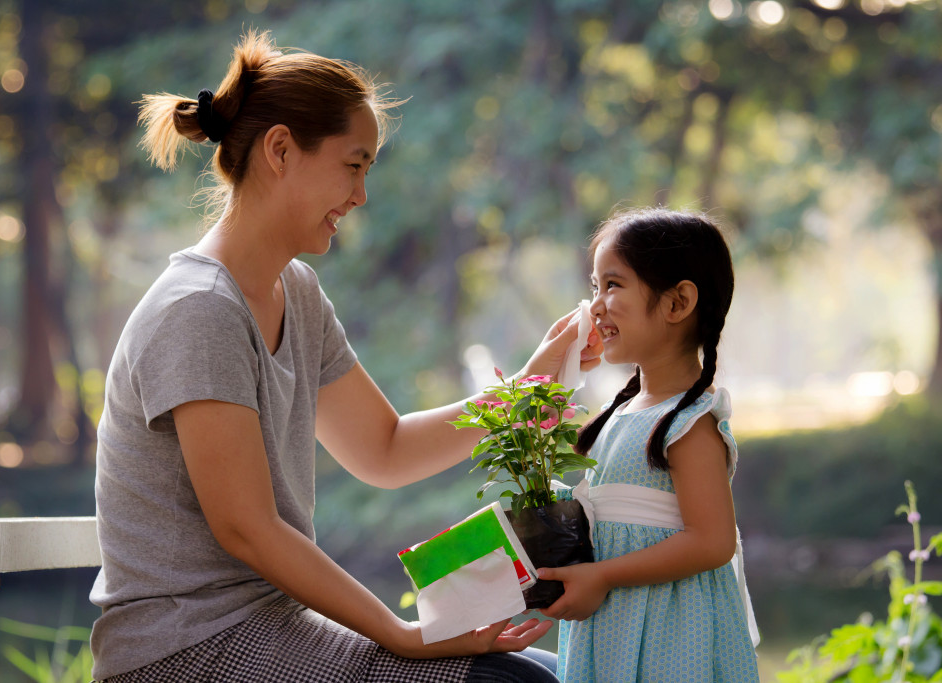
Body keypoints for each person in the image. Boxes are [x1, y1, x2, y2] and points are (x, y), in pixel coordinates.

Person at [88, 29, 602, 682]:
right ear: (280, 150)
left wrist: (525, 390)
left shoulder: (296, 291)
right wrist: (402, 634)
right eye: (353, 165)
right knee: (517, 682)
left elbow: (384, 449)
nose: (361, 195)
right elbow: (247, 528)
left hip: (271, 624)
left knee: (549, 669)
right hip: (184, 653)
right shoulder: (200, 309)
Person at [534, 208, 760, 682]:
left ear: (678, 303)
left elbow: (713, 541)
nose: (595, 306)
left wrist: (603, 575)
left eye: (613, 285)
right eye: (595, 287)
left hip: (671, 635)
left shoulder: (688, 423)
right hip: (611, 627)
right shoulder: (617, 413)